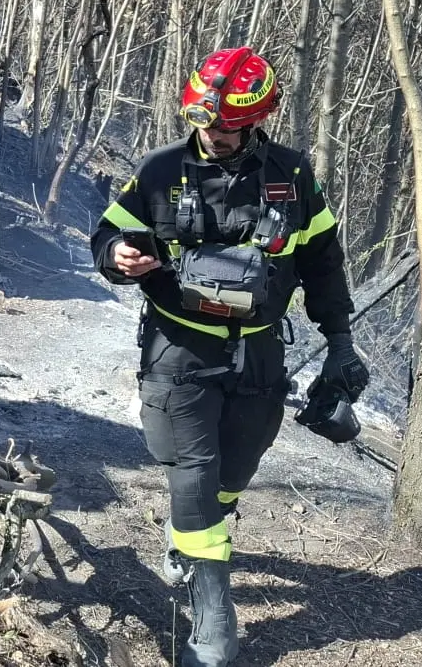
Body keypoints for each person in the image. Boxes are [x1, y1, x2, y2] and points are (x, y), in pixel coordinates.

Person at [88, 47, 368, 667]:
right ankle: (213, 626)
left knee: (227, 480)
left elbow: (323, 265)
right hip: (178, 353)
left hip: (259, 358)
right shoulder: (162, 169)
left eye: (226, 124)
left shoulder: (292, 178)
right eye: (204, 120)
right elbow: (107, 235)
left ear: (255, 118)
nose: (213, 133)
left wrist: (340, 342)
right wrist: (118, 257)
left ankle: (190, 543)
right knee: (192, 473)